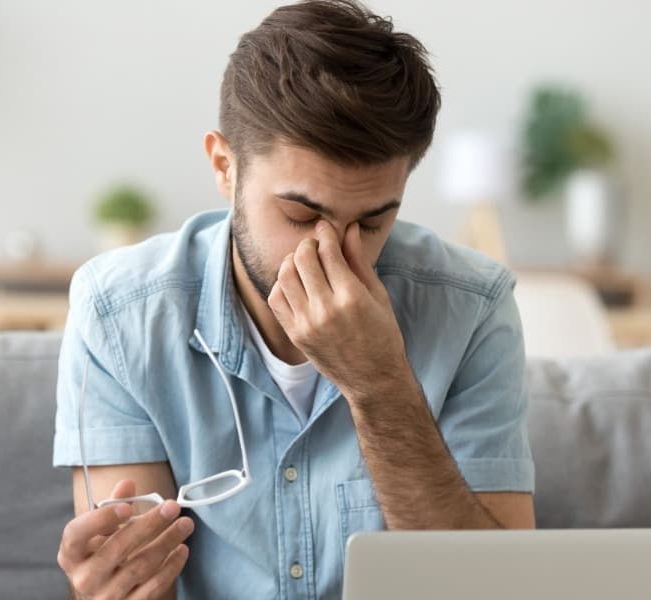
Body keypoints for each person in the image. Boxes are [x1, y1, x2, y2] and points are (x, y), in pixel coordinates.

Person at [53, 1, 535, 598]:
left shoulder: (473, 309)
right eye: (301, 215)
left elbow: (491, 589)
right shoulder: (119, 313)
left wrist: (379, 385)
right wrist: (105, 588)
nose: (333, 253)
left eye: (374, 220)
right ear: (224, 167)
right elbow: (129, 579)